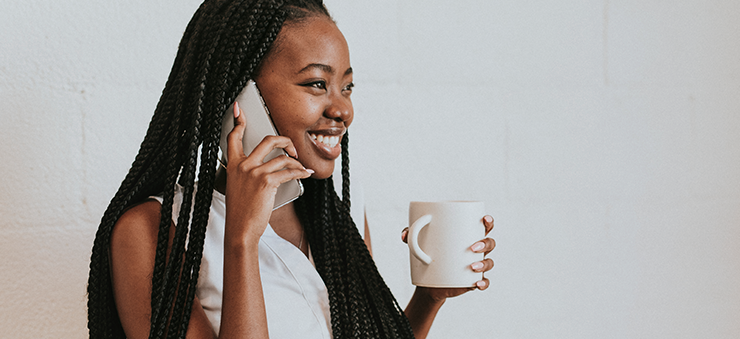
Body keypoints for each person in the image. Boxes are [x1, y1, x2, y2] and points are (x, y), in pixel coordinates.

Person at [86, 0, 496, 338]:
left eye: (347, 86)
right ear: (240, 96)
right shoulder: (150, 231)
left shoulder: (339, 215)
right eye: (317, 84)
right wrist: (243, 240)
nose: (342, 109)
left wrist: (429, 298)